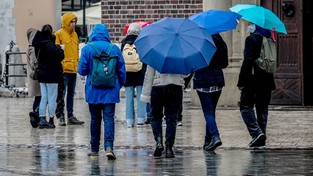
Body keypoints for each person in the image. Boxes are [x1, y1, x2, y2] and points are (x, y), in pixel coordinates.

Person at [78, 24, 126, 160]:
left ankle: (94, 148)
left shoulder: (88, 49)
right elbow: (122, 72)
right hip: (110, 91)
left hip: (93, 91)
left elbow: (81, 70)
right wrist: (118, 85)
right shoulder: (114, 49)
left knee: (95, 119)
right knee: (109, 119)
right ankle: (109, 147)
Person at [237, 23, 276, 148]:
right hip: (267, 80)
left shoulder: (251, 39)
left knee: (245, 107)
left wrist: (241, 81)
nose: (249, 25)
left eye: (251, 23)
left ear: (255, 26)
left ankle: (256, 133)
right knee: (262, 109)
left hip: (253, 80)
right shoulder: (269, 39)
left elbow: (247, 60)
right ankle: (261, 138)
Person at [141, 66, 188, 158]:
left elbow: (149, 75)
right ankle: (169, 147)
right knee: (172, 118)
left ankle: (158, 142)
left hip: (158, 86)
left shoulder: (155, 52)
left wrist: (146, 94)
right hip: (176, 87)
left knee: (156, 116)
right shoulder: (179, 53)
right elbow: (186, 73)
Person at [193, 33, 229, 151]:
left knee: (208, 113)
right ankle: (207, 141)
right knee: (211, 112)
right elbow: (225, 64)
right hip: (217, 80)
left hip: (203, 80)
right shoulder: (221, 42)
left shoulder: (200, 42)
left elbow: (194, 63)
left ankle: (215, 136)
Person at [54, 12, 84, 126]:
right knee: (62, 93)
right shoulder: (59, 34)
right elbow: (56, 50)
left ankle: (70, 115)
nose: (74, 23)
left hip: (74, 69)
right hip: (64, 69)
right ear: (66, 22)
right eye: (71, 21)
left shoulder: (75, 35)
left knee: (71, 93)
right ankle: (61, 116)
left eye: (75, 21)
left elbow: (76, 51)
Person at [32, 24, 64, 129]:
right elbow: (60, 56)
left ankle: (42, 118)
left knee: (44, 97)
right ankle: (50, 119)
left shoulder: (38, 44)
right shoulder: (50, 45)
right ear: (50, 32)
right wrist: (60, 48)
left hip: (42, 74)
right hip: (52, 75)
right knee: (52, 98)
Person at [120, 23, 147, 128]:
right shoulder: (141, 42)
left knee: (129, 98)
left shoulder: (123, 42)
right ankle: (141, 119)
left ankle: (129, 121)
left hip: (127, 73)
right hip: (140, 72)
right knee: (141, 97)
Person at [26, 28, 41, 128]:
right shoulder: (33, 48)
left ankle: (36, 114)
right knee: (39, 97)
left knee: (38, 97)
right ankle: (35, 115)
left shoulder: (30, 47)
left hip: (33, 77)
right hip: (36, 77)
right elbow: (34, 62)